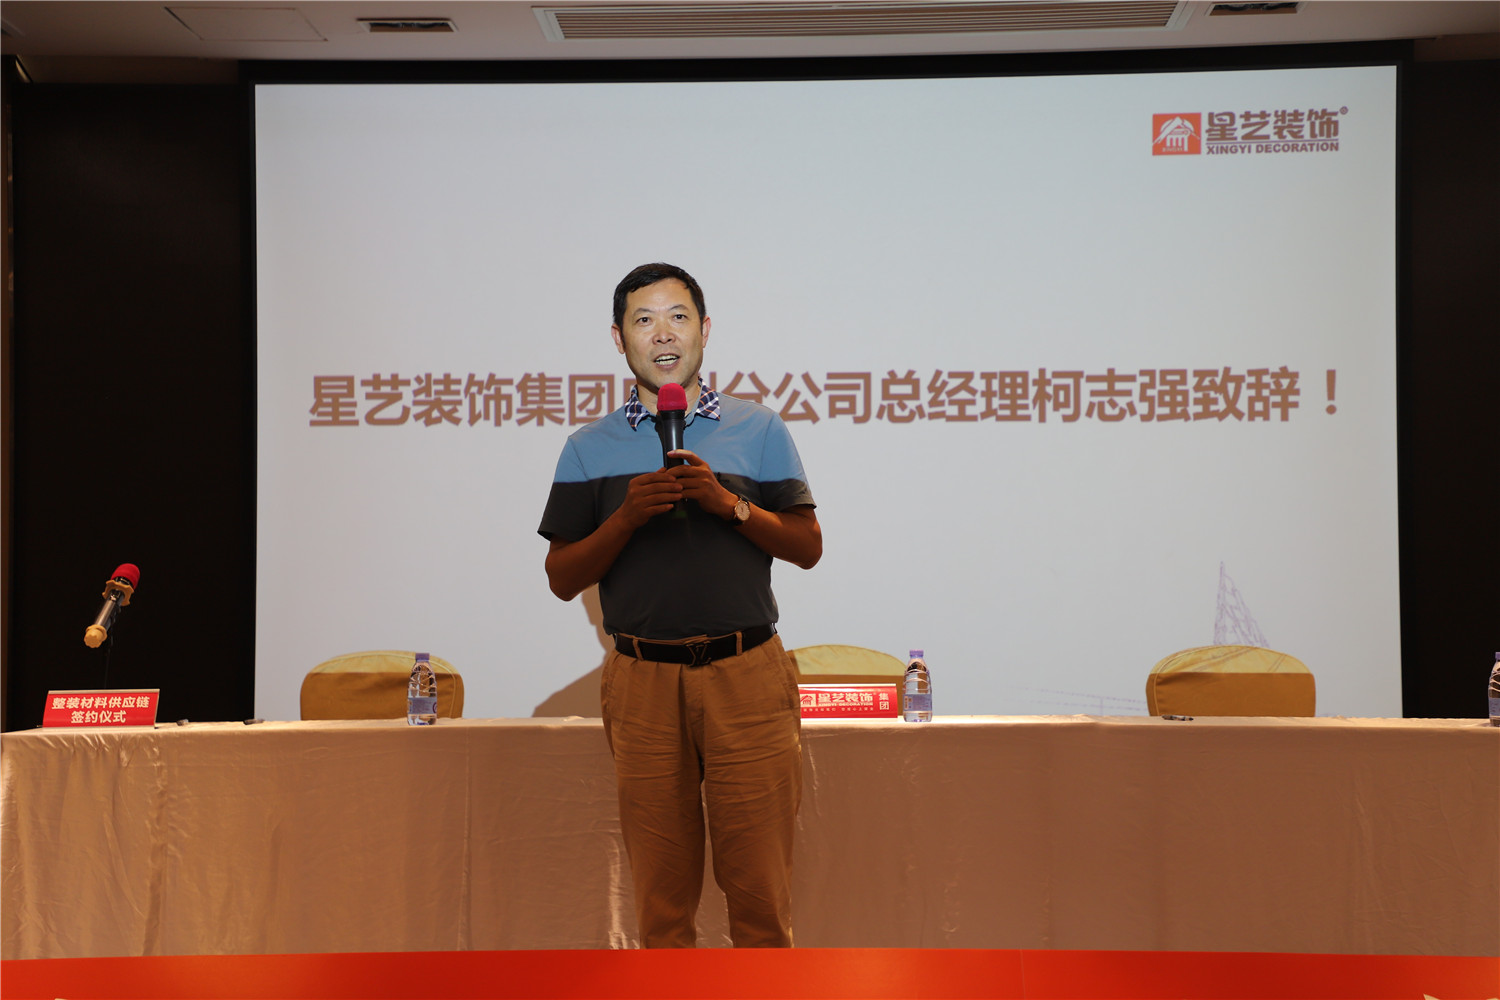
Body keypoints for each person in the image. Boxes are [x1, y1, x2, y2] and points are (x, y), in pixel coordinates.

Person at [538, 262, 822, 948]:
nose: (662, 334)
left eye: (677, 317)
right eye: (643, 320)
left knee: (760, 900)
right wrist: (626, 518)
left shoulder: (760, 428)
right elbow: (562, 576)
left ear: (704, 329)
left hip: (746, 675)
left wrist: (730, 505)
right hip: (643, 682)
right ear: (619, 339)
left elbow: (807, 546)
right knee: (662, 909)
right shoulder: (587, 448)